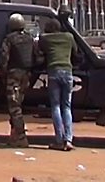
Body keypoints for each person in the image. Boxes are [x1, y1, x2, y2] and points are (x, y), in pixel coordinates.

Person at [38, 16, 80, 151]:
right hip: (68, 72)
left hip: (53, 72)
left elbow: (40, 53)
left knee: (55, 106)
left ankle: (59, 140)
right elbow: (76, 53)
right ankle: (68, 139)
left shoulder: (44, 38)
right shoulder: (69, 37)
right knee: (66, 106)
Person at [0, 13, 37, 147]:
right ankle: (14, 136)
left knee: (14, 108)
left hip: (14, 75)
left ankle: (21, 137)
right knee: (17, 105)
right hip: (26, 76)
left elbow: (4, 58)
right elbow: (37, 56)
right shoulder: (30, 38)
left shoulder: (9, 39)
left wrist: (3, 73)